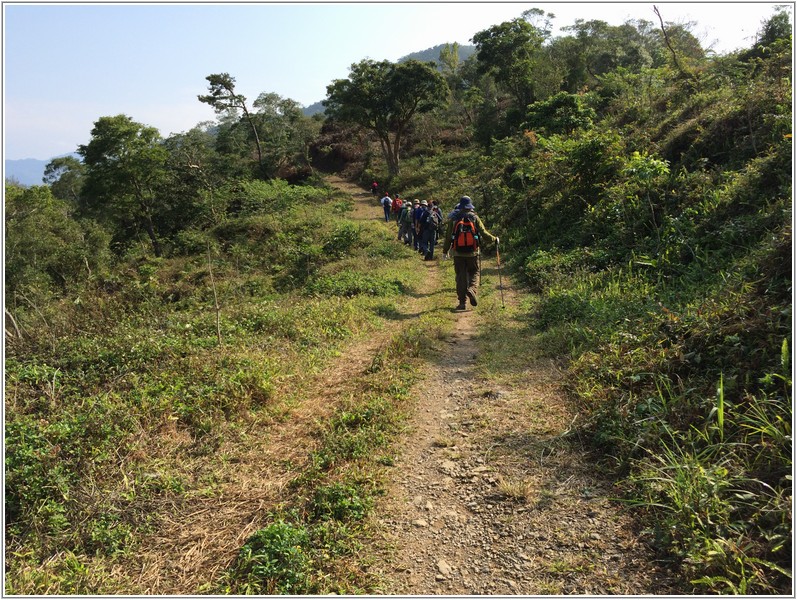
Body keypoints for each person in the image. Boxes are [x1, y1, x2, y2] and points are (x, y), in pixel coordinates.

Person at [442, 195, 498, 311]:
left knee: (460, 277)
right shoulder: (474, 218)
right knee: (474, 272)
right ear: (470, 206)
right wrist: (494, 239)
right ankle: (472, 289)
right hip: (473, 252)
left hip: (458, 253)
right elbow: (483, 233)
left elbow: (448, 237)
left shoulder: (454, 219)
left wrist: (445, 251)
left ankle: (462, 303)